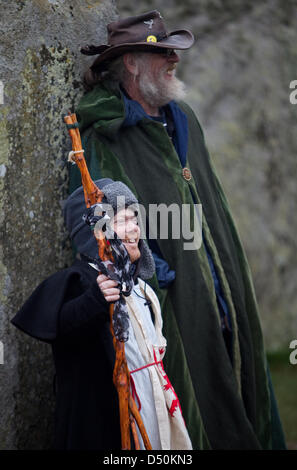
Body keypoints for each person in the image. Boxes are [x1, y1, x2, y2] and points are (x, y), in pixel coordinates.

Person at [69, 11, 286, 449]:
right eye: (162, 52)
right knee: (196, 413)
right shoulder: (104, 136)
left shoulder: (182, 117)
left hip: (224, 287)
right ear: (130, 62)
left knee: (243, 389)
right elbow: (102, 230)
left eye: (174, 51)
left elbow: (209, 205)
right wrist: (164, 279)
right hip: (174, 308)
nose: (174, 59)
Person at [11, 178, 192, 450]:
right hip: (104, 422)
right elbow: (62, 328)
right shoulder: (81, 282)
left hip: (151, 408)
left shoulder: (140, 287)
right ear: (95, 232)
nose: (133, 228)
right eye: (121, 221)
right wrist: (95, 299)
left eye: (135, 218)